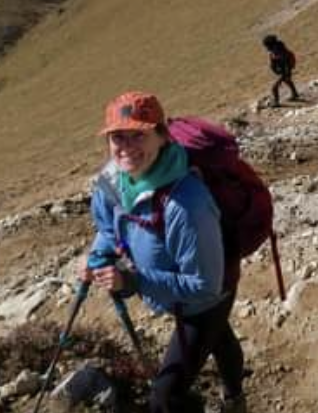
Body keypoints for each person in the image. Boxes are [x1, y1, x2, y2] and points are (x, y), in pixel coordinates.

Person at [84, 92, 247, 413]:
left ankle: (234, 397)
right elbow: (108, 227)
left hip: (209, 296)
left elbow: (204, 286)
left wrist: (133, 281)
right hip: (172, 290)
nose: (127, 147)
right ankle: (236, 398)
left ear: (162, 136)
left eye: (138, 135)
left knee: (165, 399)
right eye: (118, 137)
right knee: (218, 337)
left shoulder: (187, 205)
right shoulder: (113, 180)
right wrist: (99, 256)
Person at [262, 34, 299, 106]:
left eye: (266, 46)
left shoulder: (280, 53)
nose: (266, 48)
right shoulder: (276, 50)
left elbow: (285, 63)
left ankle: (276, 102)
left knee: (274, 87)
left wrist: (285, 73)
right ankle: (295, 94)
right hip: (283, 71)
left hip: (284, 71)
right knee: (287, 81)